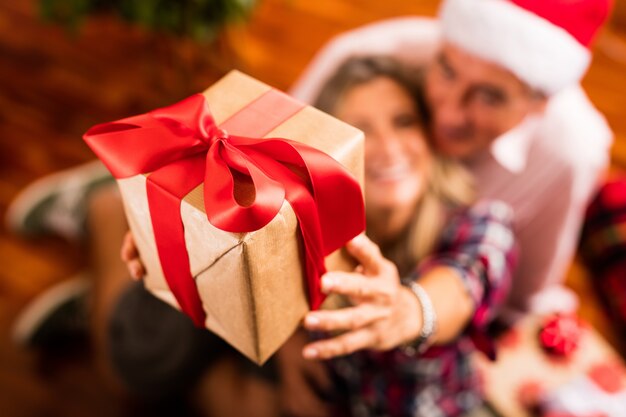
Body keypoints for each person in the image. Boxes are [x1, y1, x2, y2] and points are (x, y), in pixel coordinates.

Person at [9, 56, 517, 416]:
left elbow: (465, 282)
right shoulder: (293, 214)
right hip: (272, 350)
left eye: (404, 121)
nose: (387, 147)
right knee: (135, 363)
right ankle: (104, 212)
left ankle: (115, 282)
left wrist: (409, 311)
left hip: (331, 384)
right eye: (360, 131)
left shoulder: (481, 223)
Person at [289, 0, 614, 318]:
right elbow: (274, 190)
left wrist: (414, 315)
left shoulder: (570, 154)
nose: (448, 114)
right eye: (446, 69)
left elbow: (519, 303)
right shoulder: (363, 58)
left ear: (540, 104)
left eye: (490, 96)